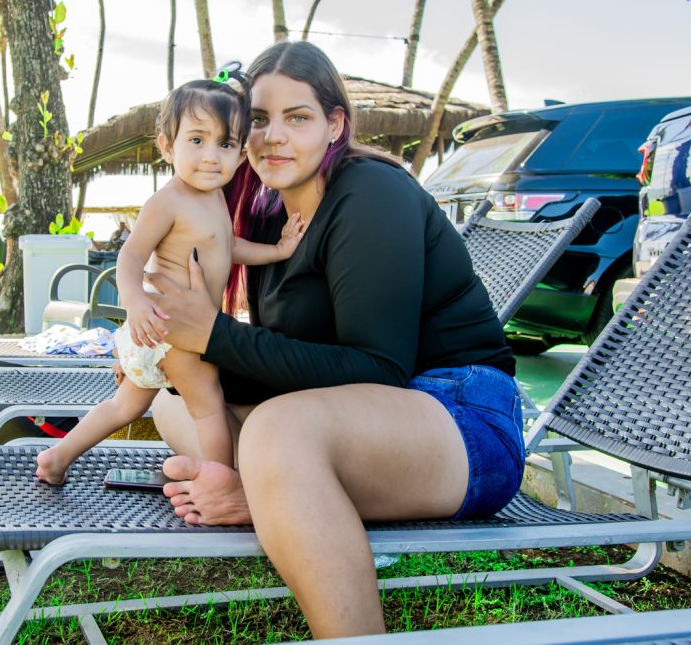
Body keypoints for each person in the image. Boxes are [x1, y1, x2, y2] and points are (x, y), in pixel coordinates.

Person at [141, 41, 524, 639]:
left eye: (297, 117)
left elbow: (379, 368)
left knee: (276, 429)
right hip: (358, 419)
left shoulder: (373, 194)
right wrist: (177, 357)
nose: (273, 136)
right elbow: (290, 365)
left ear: (334, 124)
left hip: (461, 420)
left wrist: (213, 335)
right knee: (176, 398)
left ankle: (267, 491)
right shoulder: (272, 222)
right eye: (259, 120)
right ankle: (276, 488)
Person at [35, 71, 305, 485]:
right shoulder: (167, 202)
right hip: (172, 330)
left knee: (123, 408)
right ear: (167, 146)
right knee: (209, 407)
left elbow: (227, 246)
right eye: (197, 141)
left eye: (226, 144)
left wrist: (278, 251)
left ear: (240, 152)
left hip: (164, 332)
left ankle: (57, 457)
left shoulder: (214, 197)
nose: (211, 156)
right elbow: (130, 256)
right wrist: (135, 302)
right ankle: (219, 481)